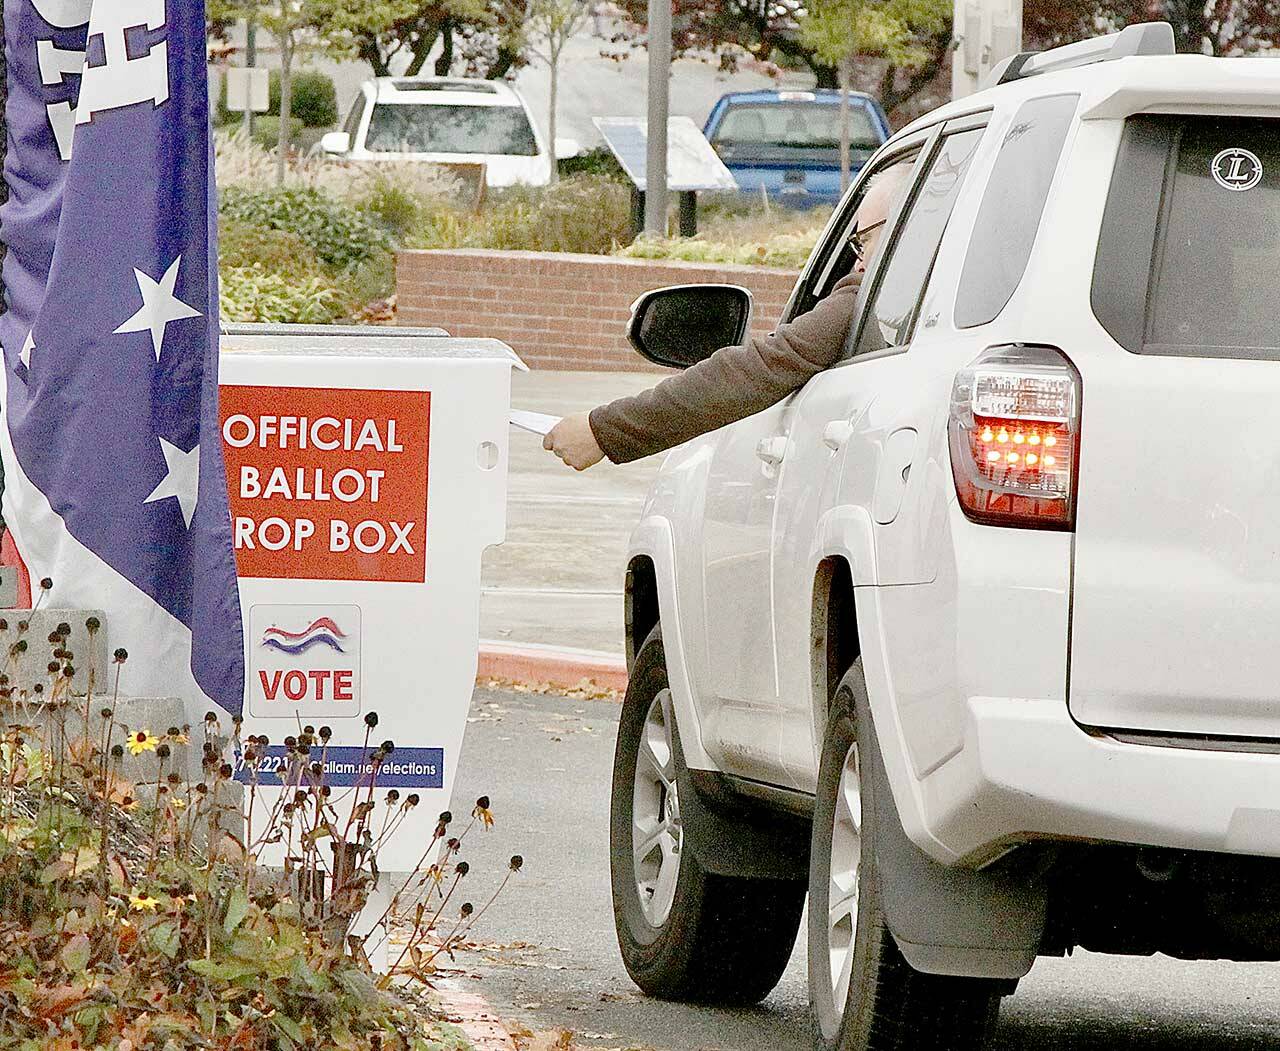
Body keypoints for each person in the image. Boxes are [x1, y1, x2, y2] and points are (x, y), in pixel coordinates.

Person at [544, 164, 909, 470]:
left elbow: (764, 366)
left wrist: (603, 430)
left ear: (899, 231)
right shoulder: (920, 303)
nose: (859, 261)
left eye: (864, 241)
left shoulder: (869, 295)